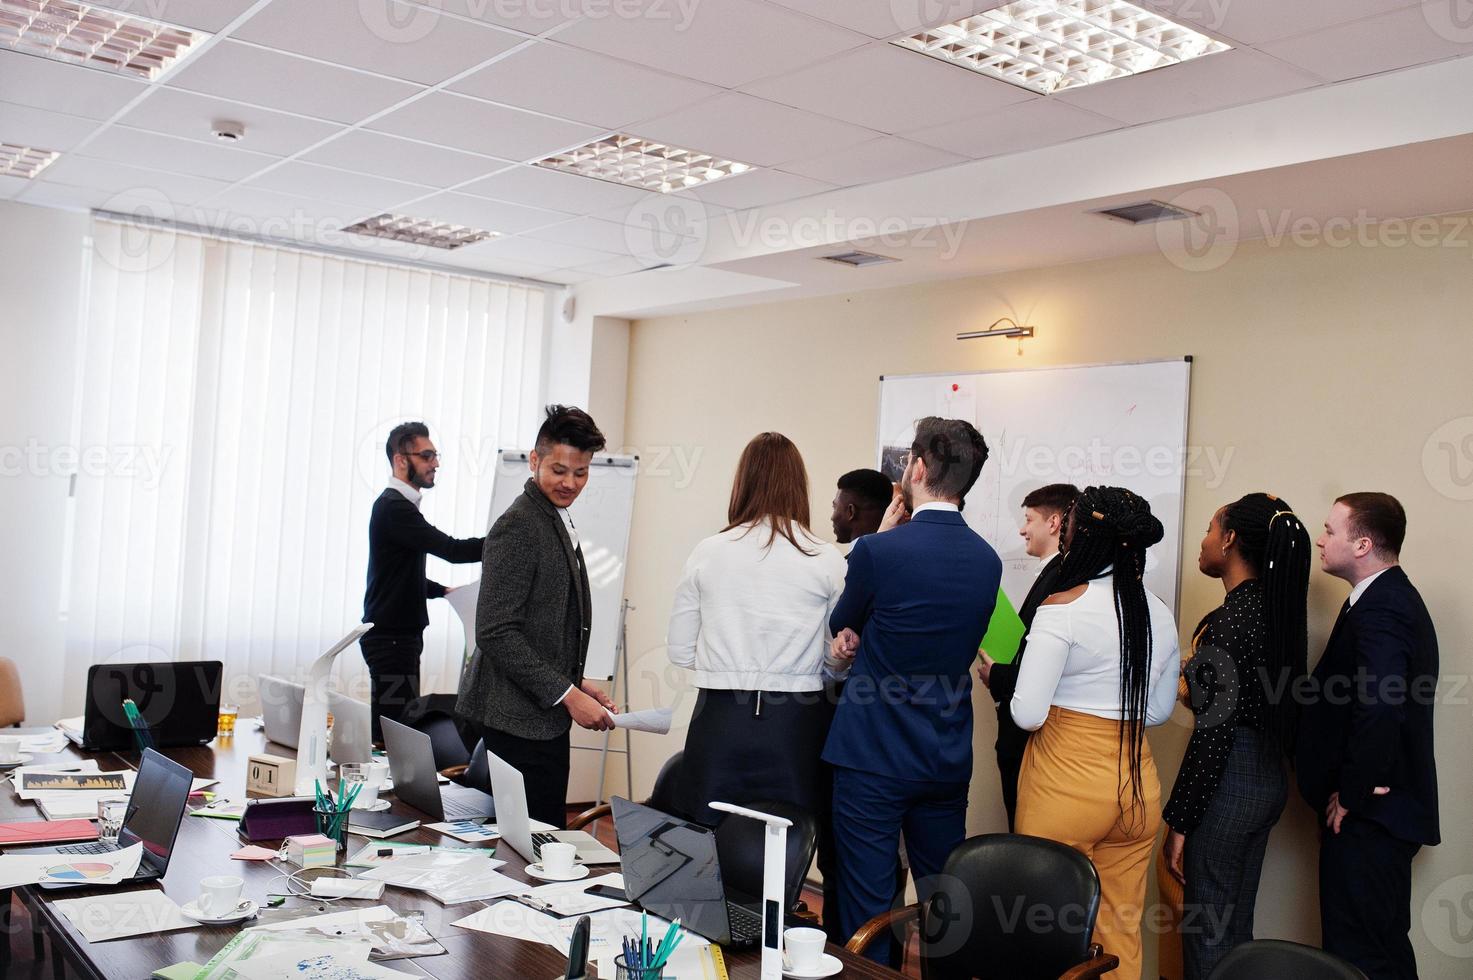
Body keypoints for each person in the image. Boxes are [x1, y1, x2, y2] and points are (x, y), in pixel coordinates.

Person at [824, 417, 1001, 964]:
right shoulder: (988, 560)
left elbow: (844, 621)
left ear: (918, 468)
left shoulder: (879, 552)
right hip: (944, 756)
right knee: (943, 900)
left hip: (873, 754)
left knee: (869, 902)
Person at [1010, 487, 1180, 980]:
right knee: (1120, 927)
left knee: (1044, 928)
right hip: (1136, 785)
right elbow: (1158, 711)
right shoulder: (1161, 613)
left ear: (1080, 536)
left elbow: (1026, 714)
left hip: (1066, 784)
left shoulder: (1063, 607)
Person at [1160, 493, 1310, 979]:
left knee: (1206, 934)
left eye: (1208, 529)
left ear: (1228, 540)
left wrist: (1180, 822)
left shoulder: (1229, 623)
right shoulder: (1277, 614)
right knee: (1235, 929)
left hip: (1227, 787)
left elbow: (1214, 734)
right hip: (1266, 783)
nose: (1202, 542)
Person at [666, 433, 848, 826]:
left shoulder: (709, 551)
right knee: (786, 842)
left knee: (707, 839)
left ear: (742, 482)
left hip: (719, 717)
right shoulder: (826, 559)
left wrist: (728, 662)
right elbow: (838, 662)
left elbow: (679, 650)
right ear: (799, 485)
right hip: (797, 723)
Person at [1297, 493, 1439, 980]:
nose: (1320, 539)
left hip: (1370, 821)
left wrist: (1354, 794)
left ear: (1361, 544)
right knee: (1369, 954)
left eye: (1330, 530)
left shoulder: (1385, 607)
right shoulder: (1380, 600)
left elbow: (1381, 706)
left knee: (1362, 961)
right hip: (1372, 819)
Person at [454, 406, 617, 828]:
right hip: (519, 720)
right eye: (560, 470)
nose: (570, 483)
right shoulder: (519, 525)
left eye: (581, 473)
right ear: (534, 460)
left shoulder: (551, 516)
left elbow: (538, 624)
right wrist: (567, 693)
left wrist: (575, 680)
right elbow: (495, 630)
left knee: (537, 843)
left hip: (538, 716)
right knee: (534, 848)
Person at [362, 421, 483, 742]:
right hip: (392, 640)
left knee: (393, 730)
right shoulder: (395, 508)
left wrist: (442, 591)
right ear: (402, 460)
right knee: (393, 735)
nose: (436, 463)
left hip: (393, 638)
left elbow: (397, 573)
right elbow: (453, 550)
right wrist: (507, 540)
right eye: (427, 456)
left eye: (435, 455)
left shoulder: (397, 506)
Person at [978, 482, 1079, 830]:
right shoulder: (1054, 574)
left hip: (1032, 738)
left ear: (1053, 524)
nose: (1022, 529)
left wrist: (999, 676)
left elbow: (1043, 665)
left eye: (1029, 519)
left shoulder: (1061, 579)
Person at [829, 468, 893, 544]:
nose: (832, 518)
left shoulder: (856, 555)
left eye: (835, 507)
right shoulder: (897, 552)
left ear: (851, 511)